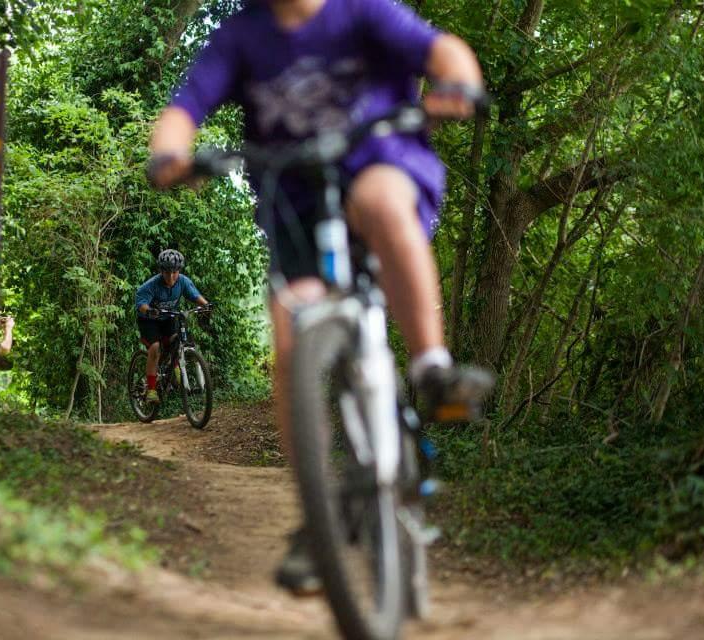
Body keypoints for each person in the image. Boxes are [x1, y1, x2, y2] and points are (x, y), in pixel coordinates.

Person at [147, 0, 494, 595]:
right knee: (290, 330)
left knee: (383, 202)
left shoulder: (362, 12)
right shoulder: (243, 36)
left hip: (380, 164)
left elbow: (441, 50)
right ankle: (320, 517)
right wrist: (171, 154)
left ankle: (433, 369)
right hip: (298, 208)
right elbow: (184, 108)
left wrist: (458, 84)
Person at [135, 249, 209, 403]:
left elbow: (195, 296)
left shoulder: (183, 281)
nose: (171, 276)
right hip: (149, 320)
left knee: (178, 340)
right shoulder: (151, 285)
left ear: (179, 271)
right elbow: (141, 303)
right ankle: (151, 390)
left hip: (168, 317)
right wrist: (149, 311)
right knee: (155, 348)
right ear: (161, 270)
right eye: (167, 272)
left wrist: (206, 306)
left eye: (175, 272)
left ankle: (174, 369)